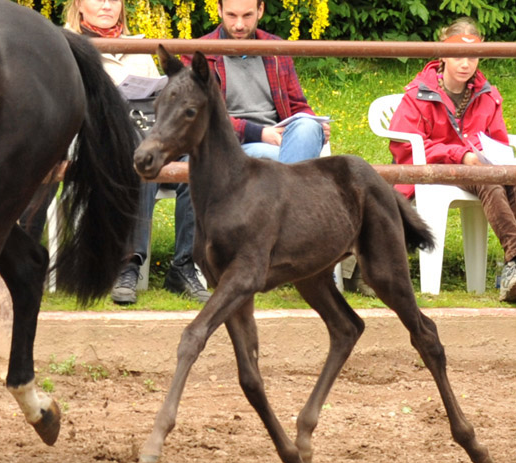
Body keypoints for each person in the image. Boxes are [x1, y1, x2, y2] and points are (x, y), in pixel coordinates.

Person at [388, 17, 516, 302]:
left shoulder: (488, 95)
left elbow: (498, 142)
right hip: (438, 171)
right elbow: (405, 149)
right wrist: (461, 155)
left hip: (478, 169)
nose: (465, 63)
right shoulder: (418, 95)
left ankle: (514, 267)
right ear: (443, 55)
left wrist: (494, 158)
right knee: (487, 178)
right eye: (458, 55)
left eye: (472, 56)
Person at [64, 0, 211, 304]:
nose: (107, 5)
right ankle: (127, 263)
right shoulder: (65, 44)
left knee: (195, 158)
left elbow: (156, 99)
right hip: (96, 143)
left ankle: (184, 265)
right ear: (78, 5)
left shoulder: (140, 47)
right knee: (138, 155)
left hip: (144, 134)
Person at [181, 0, 330, 164]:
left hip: (280, 141)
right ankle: (292, 179)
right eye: (232, 15)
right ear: (219, 10)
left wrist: (317, 126)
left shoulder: (276, 49)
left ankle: (289, 176)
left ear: (260, 10)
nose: (239, 25)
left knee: (309, 127)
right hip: (229, 147)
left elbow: (298, 106)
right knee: (280, 161)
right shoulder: (197, 55)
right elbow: (203, 117)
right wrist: (259, 134)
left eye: (247, 16)